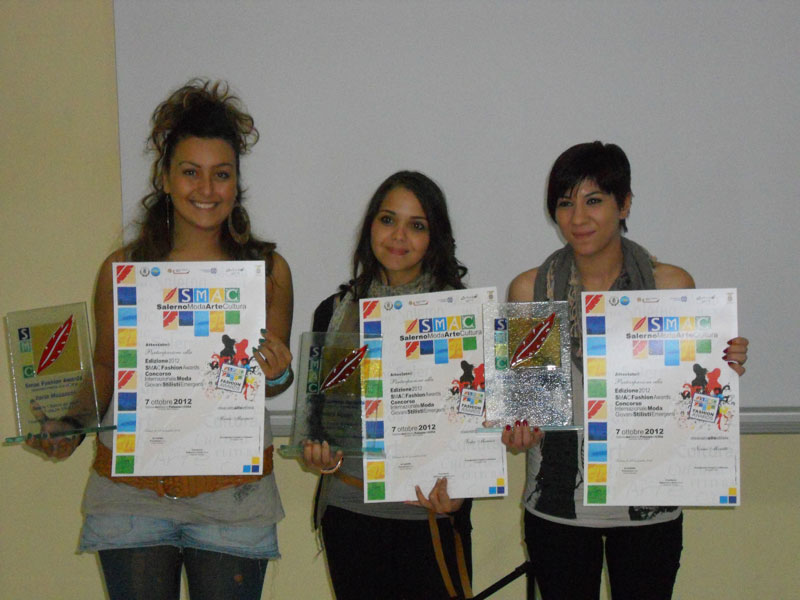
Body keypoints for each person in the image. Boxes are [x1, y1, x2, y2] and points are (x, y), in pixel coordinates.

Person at [27, 80, 293, 600]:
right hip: (131, 497)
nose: (206, 188)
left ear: (237, 182)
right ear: (165, 178)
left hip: (232, 496)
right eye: (190, 172)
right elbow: (106, 369)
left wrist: (278, 371)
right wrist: (70, 425)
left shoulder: (266, 271)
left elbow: (270, 381)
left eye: (221, 174)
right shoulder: (125, 269)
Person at [503, 141, 749, 600]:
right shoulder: (531, 290)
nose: (578, 218)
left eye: (594, 200)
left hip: (650, 507)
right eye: (565, 203)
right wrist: (519, 429)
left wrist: (723, 371)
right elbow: (531, 408)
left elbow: (690, 400)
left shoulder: (670, 287)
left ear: (625, 204)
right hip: (558, 509)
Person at [301, 171, 473, 600]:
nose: (399, 236)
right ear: (370, 227)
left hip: (430, 515)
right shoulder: (333, 313)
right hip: (351, 511)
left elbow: (474, 422)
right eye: (388, 219)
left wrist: (462, 493)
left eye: (417, 225)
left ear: (435, 237)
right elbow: (316, 418)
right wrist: (318, 450)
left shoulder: (463, 315)